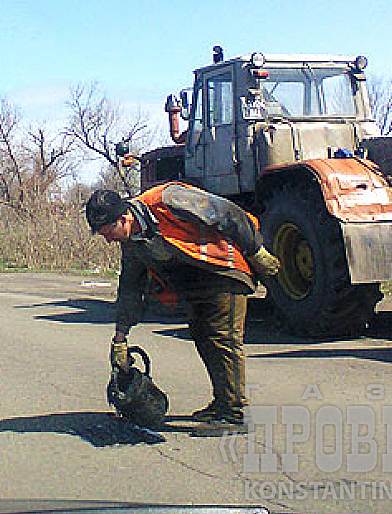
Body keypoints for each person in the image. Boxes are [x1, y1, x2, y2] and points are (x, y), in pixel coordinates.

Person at [85, 181, 286, 427]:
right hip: (196, 284)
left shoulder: (168, 200)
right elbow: (130, 288)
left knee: (222, 340)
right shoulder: (132, 244)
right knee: (204, 340)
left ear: (124, 218)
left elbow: (227, 213)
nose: (108, 241)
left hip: (224, 269)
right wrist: (120, 338)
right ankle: (223, 402)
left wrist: (255, 250)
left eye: (108, 232)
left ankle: (233, 414)